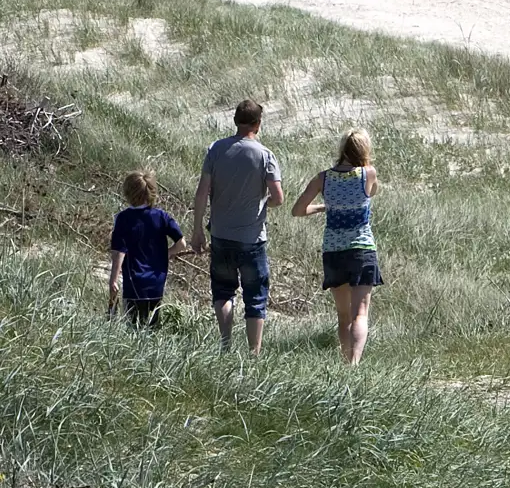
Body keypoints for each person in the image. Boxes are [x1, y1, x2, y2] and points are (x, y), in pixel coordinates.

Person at [192, 100, 284, 355]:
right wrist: (263, 203)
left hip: (221, 235)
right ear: (258, 124)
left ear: (235, 121)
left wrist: (197, 229)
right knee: (255, 297)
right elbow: (278, 198)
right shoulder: (265, 155)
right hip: (252, 238)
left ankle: (226, 345)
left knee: (223, 291)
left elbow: (202, 192)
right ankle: (254, 352)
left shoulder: (216, 149)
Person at [292, 129, 384, 366]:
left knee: (343, 316)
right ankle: (354, 364)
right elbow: (373, 191)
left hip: (333, 251)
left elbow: (298, 210)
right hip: (361, 248)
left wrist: (325, 207)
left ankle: (345, 362)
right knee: (360, 313)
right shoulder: (368, 173)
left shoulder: (323, 178)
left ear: (342, 149)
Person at [109, 170, 185, 329]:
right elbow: (182, 243)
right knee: (152, 327)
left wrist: (113, 280)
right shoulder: (162, 216)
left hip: (134, 282)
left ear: (128, 192)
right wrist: (166, 254)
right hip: (157, 282)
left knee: (133, 328)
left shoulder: (123, 218)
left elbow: (119, 252)